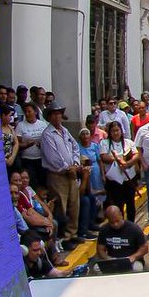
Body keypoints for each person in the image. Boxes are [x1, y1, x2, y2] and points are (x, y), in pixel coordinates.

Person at [40, 104, 82, 248]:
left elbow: (75, 147)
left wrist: (75, 164)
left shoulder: (65, 131)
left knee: (74, 205)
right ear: (49, 117)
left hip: (71, 173)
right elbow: (53, 157)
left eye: (59, 114)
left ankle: (72, 234)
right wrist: (67, 168)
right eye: (54, 114)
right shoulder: (47, 134)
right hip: (57, 175)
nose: (57, 117)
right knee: (61, 207)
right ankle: (63, 239)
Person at [99, 120, 139, 222]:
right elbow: (104, 157)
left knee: (130, 203)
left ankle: (131, 224)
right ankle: (120, 224)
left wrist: (127, 163)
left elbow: (136, 155)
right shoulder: (105, 143)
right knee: (118, 203)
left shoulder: (129, 142)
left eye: (117, 130)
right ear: (110, 132)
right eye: (113, 131)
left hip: (129, 177)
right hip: (114, 180)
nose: (115, 133)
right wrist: (118, 160)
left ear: (121, 131)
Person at [94, 205, 149, 274]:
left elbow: (144, 248)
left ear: (121, 215)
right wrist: (108, 259)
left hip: (131, 260)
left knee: (137, 269)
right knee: (96, 268)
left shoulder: (134, 229)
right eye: (112, 222)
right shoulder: (104, 230)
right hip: (112, 260)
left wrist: (133, 257)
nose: (115, 224)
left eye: (117, 221)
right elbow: (100, 249)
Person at [14, 102, 48, 188]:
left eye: (29, 111)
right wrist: (26, 145)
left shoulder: (42, 124)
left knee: (43, 181)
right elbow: (17, 144)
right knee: (32, 182)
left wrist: (42, 144)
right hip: (27, 160)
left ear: (35, 112)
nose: (27, 114)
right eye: (25, 112)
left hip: (41, 158)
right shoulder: (21, 125)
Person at [0, 104, 20, 175]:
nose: (11, 118)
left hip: (12, 159)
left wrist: (12, 157)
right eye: (9, 115)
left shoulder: (9, 127)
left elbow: (16, 142)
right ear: (3, 115)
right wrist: (5, 160)